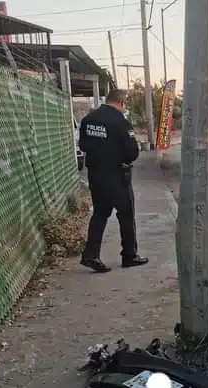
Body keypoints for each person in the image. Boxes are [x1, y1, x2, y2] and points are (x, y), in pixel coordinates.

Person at [78, 89, 149, 273]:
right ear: (122, 103)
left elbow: (83, 145)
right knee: (126, 215)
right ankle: (129, 255)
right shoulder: (121, 122)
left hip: (96, 175)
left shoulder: (88, 120)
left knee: (100, 215)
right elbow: (132, 152)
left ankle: (91, 254)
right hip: (118, 176)